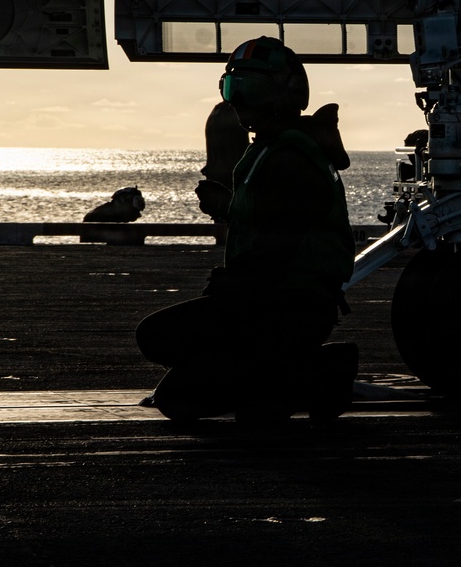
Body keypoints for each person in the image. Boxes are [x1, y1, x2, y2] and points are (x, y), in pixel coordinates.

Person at [137, 36, 357, 424]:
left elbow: (285, 229)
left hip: (289, 305)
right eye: (232, 88)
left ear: (286, 93)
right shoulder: (272, 148)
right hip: (275, 301)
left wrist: (226, 216)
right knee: (182, 387)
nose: (238, 101)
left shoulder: (291, 155)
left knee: (162, 345)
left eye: (250, 89)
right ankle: (282, 378)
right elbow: (269, 214)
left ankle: (320, 370)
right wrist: (228, 207)